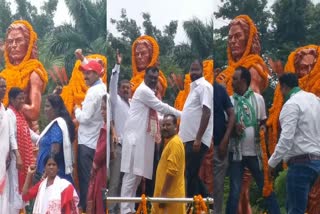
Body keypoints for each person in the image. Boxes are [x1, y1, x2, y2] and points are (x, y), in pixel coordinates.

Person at [215, 15, 270, 213]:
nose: (233, 41)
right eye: (230, 37)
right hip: (232, 145)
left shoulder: (253, 67)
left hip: (249, 146)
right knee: (237, 191)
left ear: (248, 40)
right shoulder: (231, 71)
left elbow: (250, 102)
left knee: (243, 190)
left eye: (238, 36)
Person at [267, 45, 320, 213]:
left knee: (295, 210)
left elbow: (286, 139)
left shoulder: (291, 104)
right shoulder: (314, 100)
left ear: (283, 87)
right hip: (317, 163)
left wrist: (271, 163)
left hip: (300, 164)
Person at [120, 66, 181, 214]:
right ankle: (124, 210)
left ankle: (130, 209)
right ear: (145, 77)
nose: (153, 80)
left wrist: (170, 122)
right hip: (134, 140)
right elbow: (161, 107)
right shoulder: (144, 91)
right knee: (131, 176)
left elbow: (158, 116)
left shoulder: (147, 93)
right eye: (151, 77)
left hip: (140, 141)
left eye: (155, 78)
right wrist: (182, 115)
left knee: (137, 177)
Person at [226, 66, 280, 214]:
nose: (232, 82)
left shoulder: (259, 99)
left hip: (255, 153)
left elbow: (263, 122)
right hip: (236, 154)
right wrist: (233, 128)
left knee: (266, 186)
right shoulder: (229, 101)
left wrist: (262, 130)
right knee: (235, 191)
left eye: (235, 79)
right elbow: (225, 126)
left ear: (243, 80)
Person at [0, 20, 48, 132]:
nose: (13, 45)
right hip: (5, 130)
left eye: (18, 40)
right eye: (10, 42)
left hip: (26, 131)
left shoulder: (34, 73)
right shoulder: (4, 75)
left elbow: (34, 112)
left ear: (28, 44)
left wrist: (11, 104)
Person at [75, 59, 107, 212]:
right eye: (84, 73)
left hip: (87, 143)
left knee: (86, 181)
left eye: (87, 73)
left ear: (95, 74)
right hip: (94, 142)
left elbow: (85, 118)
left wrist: (76, 109)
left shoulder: (93, 92)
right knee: (93, 181)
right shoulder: (102, 88)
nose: (84, 76)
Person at [178, 59, 213, 198]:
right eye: (191, 70)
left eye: (196, 69)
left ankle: (197, 204)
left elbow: (206, 112)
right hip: (188, 139)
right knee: (190, 173)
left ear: (202, 71)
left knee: (190, 174)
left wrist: (198, 138)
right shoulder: (194, 89)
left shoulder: (204, 86)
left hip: (195, 139)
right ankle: (207, 202)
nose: (193, 73)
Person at [6, 87, 38, 213]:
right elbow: (11, 136)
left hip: (20, 159)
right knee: (15, 189)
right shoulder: (10, 113)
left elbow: (28, 132)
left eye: (23, 98)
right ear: (12, 99)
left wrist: (43, 138)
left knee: (20, 189)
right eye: (19, 98)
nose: (22, 101)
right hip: (15, 159)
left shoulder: (19, 114)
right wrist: (18, 155)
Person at [34, 94, 75, 185]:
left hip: (53, 176)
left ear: (56, 108)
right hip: (48, 174)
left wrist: (47, 171)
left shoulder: (57, 126)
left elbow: (55, 150)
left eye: (48, 106)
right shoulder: (53, 125)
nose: (45, 109)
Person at [108, 50, 131, 214]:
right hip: (118, 147)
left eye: (128, 88)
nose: (125, 90)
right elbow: (113, 83)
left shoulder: (131, 105)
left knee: (126, 182)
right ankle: (111, 210)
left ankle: (122, 210)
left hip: (130, 149)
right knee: (115, 181)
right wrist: (118, 65)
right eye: (123, 87)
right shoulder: (115, 101)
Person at [151, 114, 185, 214]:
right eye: (163, 125)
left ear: (176, 127)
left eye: (168, 125)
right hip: (165, 199)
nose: (165, 127)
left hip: (169, 200)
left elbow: (172, 171)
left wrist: (163, 194)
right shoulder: (170, 143)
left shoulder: (175, 143)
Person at [213, 81, 235, 214]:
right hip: (199, 149)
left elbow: (231, 114)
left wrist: (225, 140)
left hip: (218, 147)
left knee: (218, 187)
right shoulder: (193, 88)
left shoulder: (220, 90)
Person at [86, 95, 109, 214]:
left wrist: (94, 165)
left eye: (105, 109)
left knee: (99, 199)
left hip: (102, 169)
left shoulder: (107, 128)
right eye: (102, 109)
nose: (102, 112)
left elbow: (101, 150)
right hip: (103, 168)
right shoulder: (107, 127)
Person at [0, 77, 18, 212]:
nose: (3, 89)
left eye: (5, 86)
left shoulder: (4, 110)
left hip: (4, 160)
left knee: (3, 195)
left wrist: (13, 154)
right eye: (1, 86)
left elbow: (11, 134)